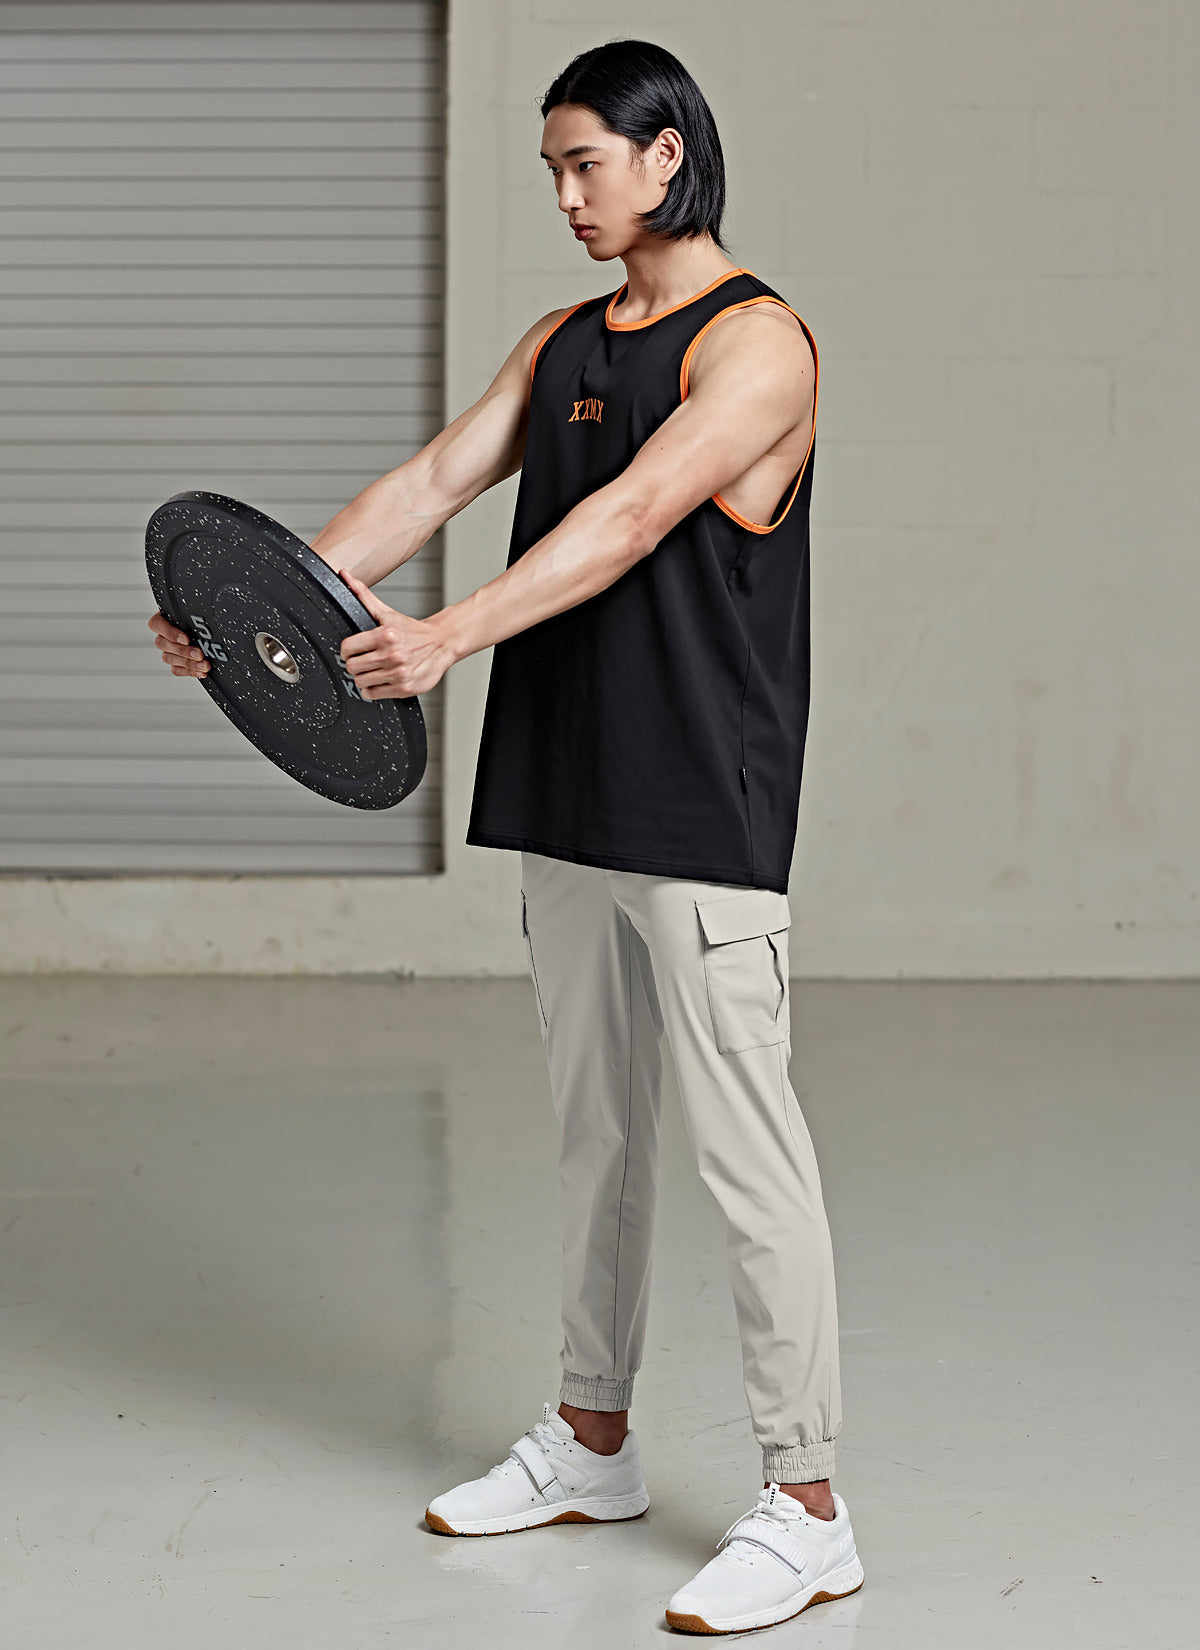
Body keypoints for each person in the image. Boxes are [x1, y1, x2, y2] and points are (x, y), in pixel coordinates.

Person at [148, 36, 863, 1638]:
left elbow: (630, 517)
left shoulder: (760, 346)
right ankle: (595, 1441)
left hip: (703, 799)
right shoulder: (562, 343)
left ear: (667, 154)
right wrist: (251, 614)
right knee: (597, 1135)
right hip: (567, 783)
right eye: (550, 170)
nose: (565, 195)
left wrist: (449, 635)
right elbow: (429, 481)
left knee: (749, 1158)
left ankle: (809, 1508)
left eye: (585, 163)